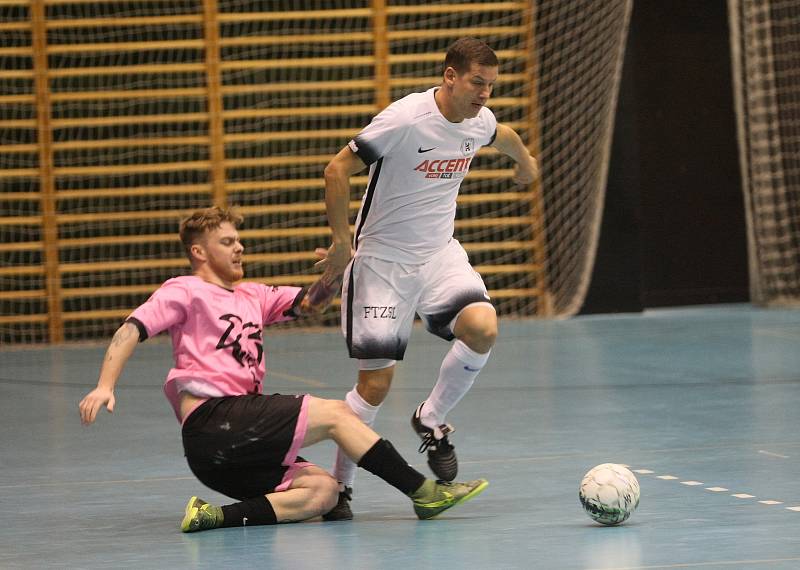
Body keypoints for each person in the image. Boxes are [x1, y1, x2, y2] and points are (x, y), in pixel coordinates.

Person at [78, 206, 488, 532]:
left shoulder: (252, 295)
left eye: (239, 240)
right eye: (227, 241)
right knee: (336, 415)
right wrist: (104, 385)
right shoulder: (184, 290)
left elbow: (310, 303)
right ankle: (422, 491)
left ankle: (214, 517)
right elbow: (131, 329)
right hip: (213, 419)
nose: (239, 247)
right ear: (199, 252)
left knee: (322, 493)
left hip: (228, 453)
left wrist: (333, 274)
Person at [318, 37, 538, 520]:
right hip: (381, 263)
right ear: (450, 76)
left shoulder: (478, 121)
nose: (485, 94)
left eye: (492, 86)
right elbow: (337, 170)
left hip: (438, 254)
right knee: (374, 387)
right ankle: (339, 490)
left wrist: (525, 164)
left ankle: (432, 419)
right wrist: (341, 244)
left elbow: (503, 136)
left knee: (483, 327)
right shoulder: (405, 119)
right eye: (477, 83)